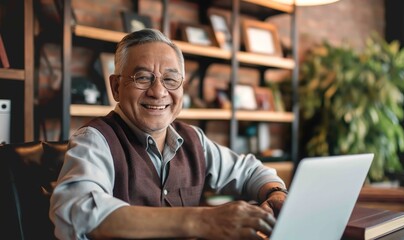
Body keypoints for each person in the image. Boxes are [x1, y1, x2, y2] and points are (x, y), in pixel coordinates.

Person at [49, 28, 287, 240]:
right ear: (116, 87)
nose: (158, 91)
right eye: (142, 78)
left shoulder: (194, 140)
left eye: (171, 79)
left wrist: (275, 192)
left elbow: (250, 171)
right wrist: (202, 221)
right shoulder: (95, 140)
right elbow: (77, 212)